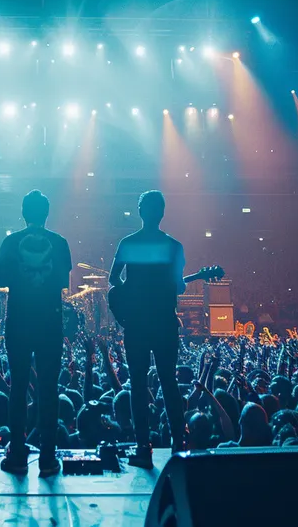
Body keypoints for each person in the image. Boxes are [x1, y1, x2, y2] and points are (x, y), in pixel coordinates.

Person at [109, 190, 187, 468]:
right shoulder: (174, 246)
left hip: (137, 323)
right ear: (162, 213)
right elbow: (178, 285)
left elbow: (113, 279)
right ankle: (179, 441)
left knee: (138, 384)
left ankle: (143, 446)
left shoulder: (128, 243)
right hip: (165, 321)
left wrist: (132, 293)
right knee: (168, 381)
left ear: (141, 212)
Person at [0, 190, 72, 477]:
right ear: (46, 213)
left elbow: (2, 280)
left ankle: (17, 455)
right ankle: (48, 458)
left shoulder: (10, 242)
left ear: (24, 212)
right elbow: (63, 281)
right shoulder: (60, 243)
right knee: (49, 388)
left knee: (18, 386)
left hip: (18, 320)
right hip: (50, 322)